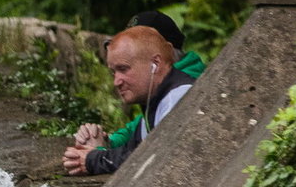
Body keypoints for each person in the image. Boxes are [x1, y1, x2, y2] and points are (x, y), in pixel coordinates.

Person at [63, 20, 199, 176]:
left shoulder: (179, 97)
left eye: (123, 69)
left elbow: (154, 156)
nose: (116, 82)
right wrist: (97, 145)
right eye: (113, 72)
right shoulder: (153, 103)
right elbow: (132, 151)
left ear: (155, 63)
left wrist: (93, 160)